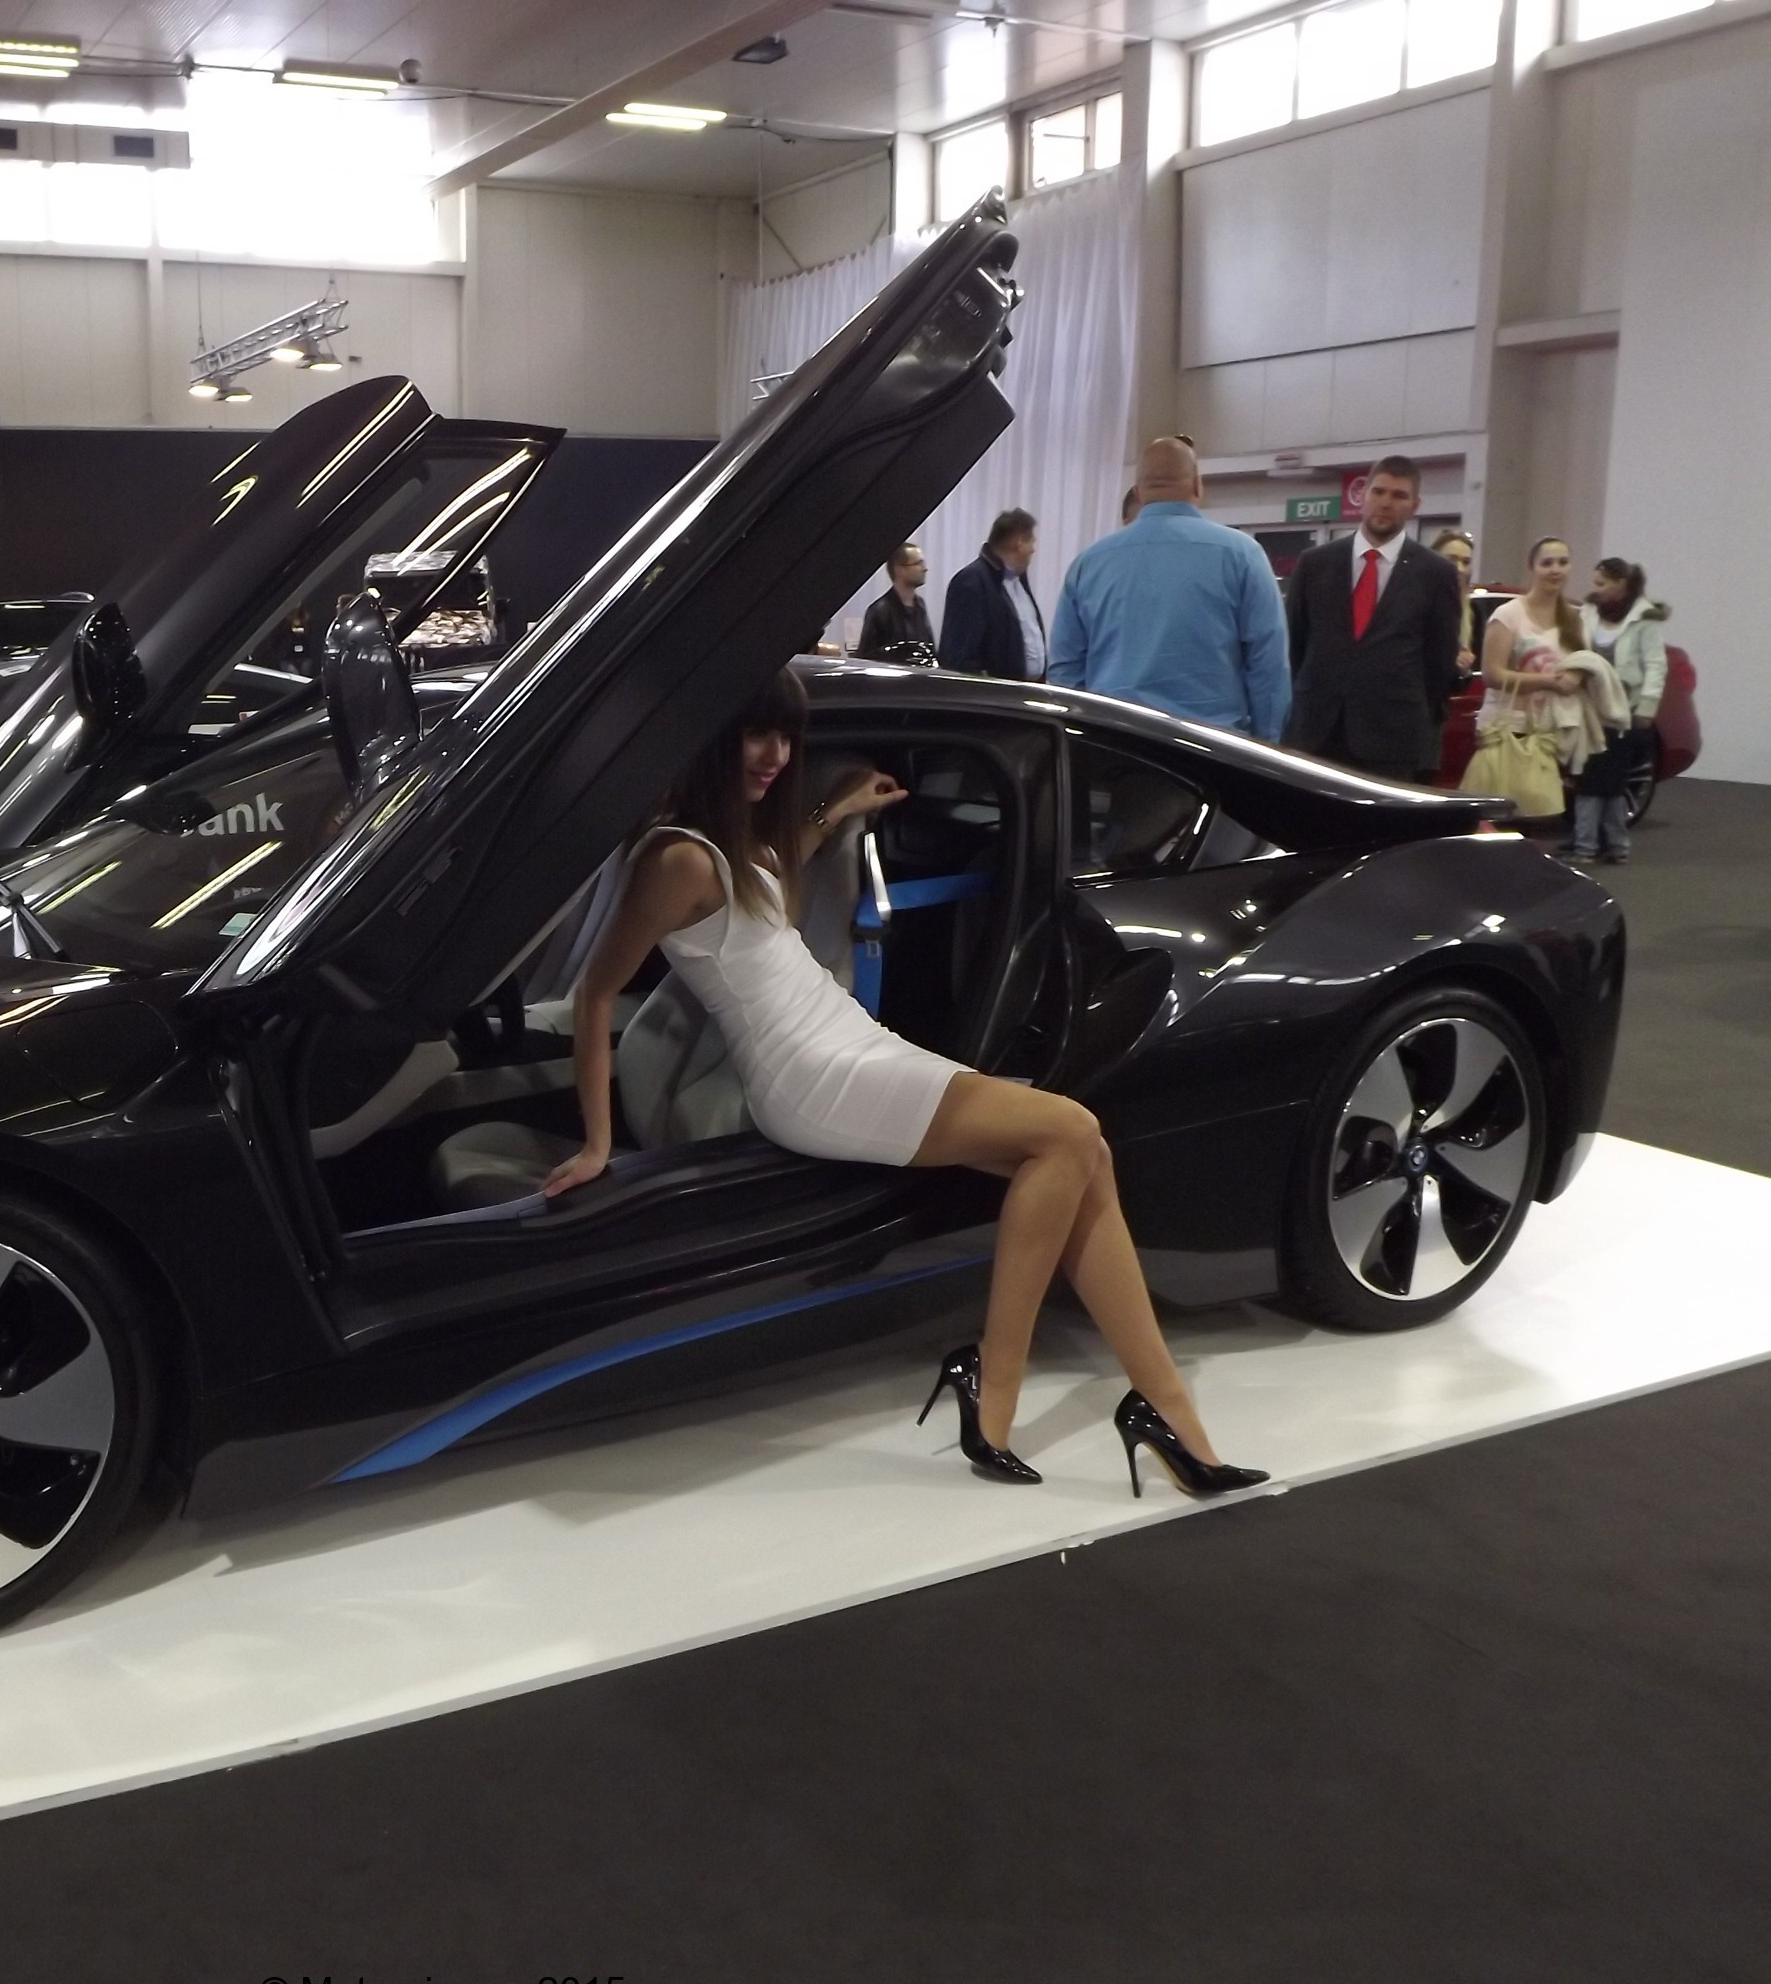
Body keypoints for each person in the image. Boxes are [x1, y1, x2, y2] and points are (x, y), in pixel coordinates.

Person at [540, 667, 1265, 1498]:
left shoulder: (728, 843)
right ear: (708, 737)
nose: (775, 754)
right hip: (812, 1076)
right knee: (1067, 1130)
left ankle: (1166, 1411)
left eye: (786, 737)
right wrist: (596, 1143)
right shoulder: (675, 857)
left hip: (849, 1046)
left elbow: (769, 876)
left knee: (1082, 1157)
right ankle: (996, 1383)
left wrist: (835, 808)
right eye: (754, 733)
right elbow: (596, 992)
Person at [1043, 437, 1292, 741]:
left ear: (1138, 492)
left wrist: (1085, 738)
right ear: (1198, 485)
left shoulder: (1089, 564)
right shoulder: (1243, 555)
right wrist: (1265, 744)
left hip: (1115, 743)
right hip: (1214, 748)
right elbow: (1268, 666)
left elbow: (1065, 671)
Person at [1281, 456, 1463, 780]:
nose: (1386, 503)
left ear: (1415, 505)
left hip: (1392, 741)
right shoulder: (1314, 564)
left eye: (1399, 495)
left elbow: (1439, 664)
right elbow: (1294, 645)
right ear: (1363, 496)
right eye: (1378, 492)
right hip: (1314, 733)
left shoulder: (1436, 574)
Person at [1460, 537, 1584, 823]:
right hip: (1506, 731)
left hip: (1547, 735)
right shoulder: (1508, 615)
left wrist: (1576, 678)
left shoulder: (1573, 619)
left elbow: (1582, 664)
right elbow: (1493, 674)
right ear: (1532, 568)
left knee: (1536, 820)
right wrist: (1548, 681)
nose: (1555, 570)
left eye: (1563, 563)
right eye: (1547, 563)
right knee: (1497, 820)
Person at [1578, 557, 1670, 864]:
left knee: (1606, 783)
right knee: (1598, 781)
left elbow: (1656, 666)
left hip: (1625, 711)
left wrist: (1647, 707)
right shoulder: (1589, 611)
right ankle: (1605, 844)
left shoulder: (1645, 618)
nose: (1596, 589)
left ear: (1621, 584)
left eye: (1602, 583)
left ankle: (1594, 845)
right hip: (1590, 708)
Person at [938, 508, 1046, 681]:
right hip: (994, 696)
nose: (1033, 550)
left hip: (1024, 692)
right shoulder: (970, 582)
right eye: (1031, 542)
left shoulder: (1017, 581)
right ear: (1019, 543)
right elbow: (960, 659)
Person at [853, 545, 934, 659]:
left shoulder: (920, 605)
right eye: (918, 563)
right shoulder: (879, 611)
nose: (925, 568)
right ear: (900, 570)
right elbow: (867, 658)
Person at [1429, 527, 1479, 676]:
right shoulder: (1416, 605)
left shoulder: (1469, 612)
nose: (1460, 568)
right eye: (1451, 559)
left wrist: (1463, 667)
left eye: (1466, 562)